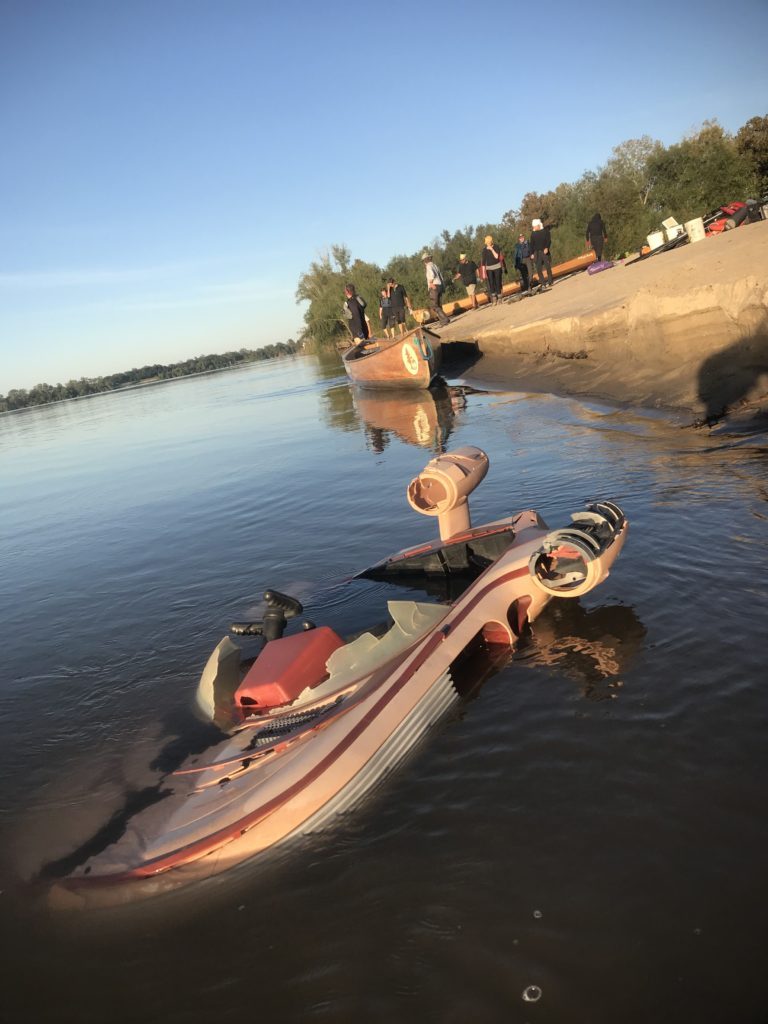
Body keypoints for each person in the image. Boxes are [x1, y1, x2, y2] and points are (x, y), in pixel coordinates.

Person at [421, 252, 450, 326]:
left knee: (434, 306)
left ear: (425, 260)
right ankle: (443, 321)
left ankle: (445, 319)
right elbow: (440, 276)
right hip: (439, 285)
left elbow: (431, 275)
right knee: (439, 305)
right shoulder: (435, 265)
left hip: (434, 286)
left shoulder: (428, 266)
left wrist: (431, 283)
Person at [529, 218, 553, 291]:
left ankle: (550, 281)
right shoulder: (533, 234)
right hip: (537, 253)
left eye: (534, 226)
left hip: (544, 251)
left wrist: (547, 248)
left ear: (538, 225)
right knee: (539, 269)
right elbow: (531, 244)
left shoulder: (545, 231)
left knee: (548, 267)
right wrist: (531, 253)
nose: (533, 227)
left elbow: (548, 241)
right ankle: (543, 283)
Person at [480, 235, 504, 304]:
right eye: (486, 243)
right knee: (491, 283)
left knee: (498, 282)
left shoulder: (496, 247)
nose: (487, 244)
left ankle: (499, 297)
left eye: (488, 242)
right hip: (489, 268)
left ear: (491, 242)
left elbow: (497, 257)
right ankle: (494, 298)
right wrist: (484, 273)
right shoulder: (484, 250)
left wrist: (492, 249)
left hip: (497, 267)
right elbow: (483, 261)